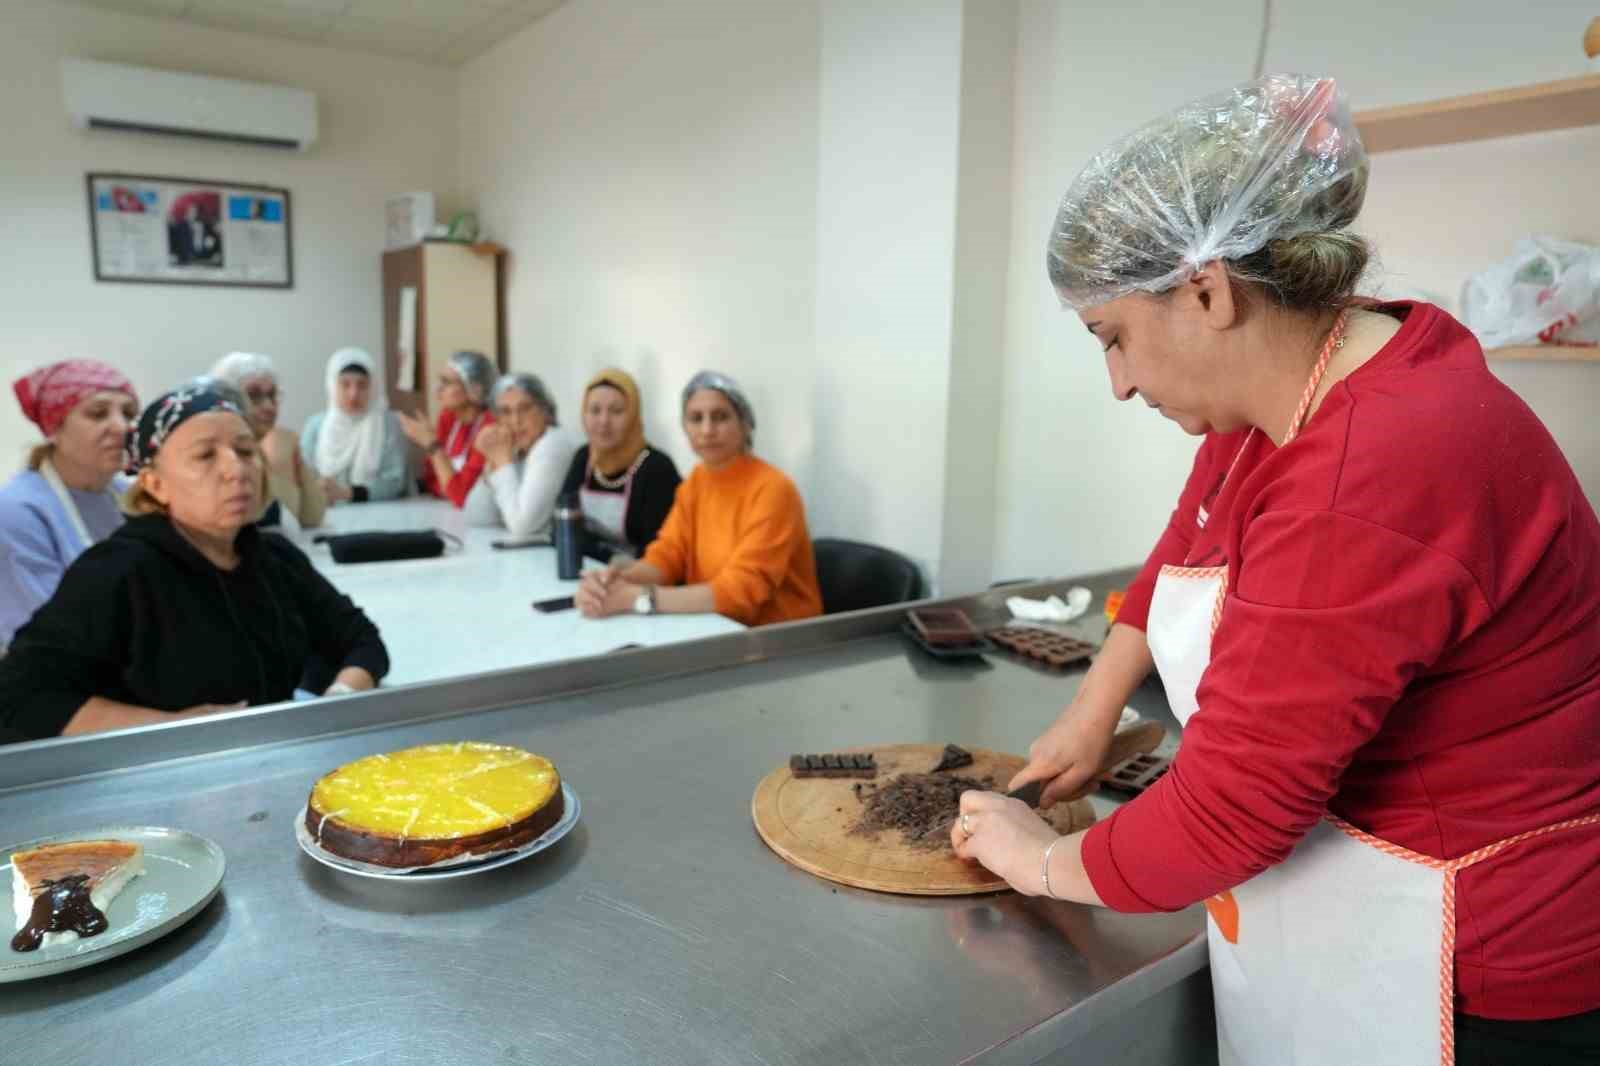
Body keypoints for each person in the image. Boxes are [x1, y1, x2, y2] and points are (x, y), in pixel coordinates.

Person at [950, 76, 1600, 1066]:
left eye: (1113, 337)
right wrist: (1092, 708)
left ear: (1206, 290)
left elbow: (1227, 816)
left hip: (1477, 965)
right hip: (1361, 896)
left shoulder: (1371, 469)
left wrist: (1037, 858)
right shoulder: (1313, 373)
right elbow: (1187, 539)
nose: (1117, 382)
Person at [0, 383, 388, 740]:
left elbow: (361, 640)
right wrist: (175, 728)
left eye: (245, 451)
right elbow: (20, 697)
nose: (236, 470)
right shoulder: (116, 573)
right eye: (205, 455)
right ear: (155, 484)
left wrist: (337, 700)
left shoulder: (274, 557)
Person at [576, 371, 820, 626]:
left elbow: (740, 591)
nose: (707, 430)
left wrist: (638, 598)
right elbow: (667, 555)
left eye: (720, 417)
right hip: (713, 625)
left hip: (779, 637)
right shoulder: (696, 482)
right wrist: (615, 583)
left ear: (745, 424)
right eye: (696, 418)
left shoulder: (773, 490)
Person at [0, 360, 139, 651]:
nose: (122, 427)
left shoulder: (129, 495)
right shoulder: (17, 510)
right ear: (55, 427)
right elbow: (48, 631)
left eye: (128, 413)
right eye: (98, 413)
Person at [559, 368, 681, 562]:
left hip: (640, 576)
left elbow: (658, 553)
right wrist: (608, 556)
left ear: (633, 415)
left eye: (616, 411)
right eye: (595, 410)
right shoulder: (584, 457)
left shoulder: (657, 468)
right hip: (590, 571)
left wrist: (593, 550)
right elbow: (561, 527)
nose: (604, 421)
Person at [210, 351, 326, 529]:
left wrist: (296, 464)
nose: (269, 406)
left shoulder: (266, 446)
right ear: (226, 401)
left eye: (272, 395)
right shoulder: (219, 455)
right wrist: (280, 463)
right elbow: (275, 525)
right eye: (254, 396)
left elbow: (313, 517)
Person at [463, 373, 581, 539]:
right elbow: (476, 517)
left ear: (545, 411)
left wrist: (502, 461)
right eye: (505, 412)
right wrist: (492, 462)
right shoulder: (518, 449)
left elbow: (523, 527)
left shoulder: (554, 443)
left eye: (525, 409)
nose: (516, 421)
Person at [301, 348, 408, 504]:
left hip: (381, 511)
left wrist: (347, 494)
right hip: (328, 512)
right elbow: (304, 475)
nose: (353, 393)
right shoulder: (316, 426)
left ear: (373, 387)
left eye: (362, 385)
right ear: (332, 386)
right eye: (345, 385)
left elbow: (395, 481)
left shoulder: (388, 424)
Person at [398, 350, 496, 507]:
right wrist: (450, 488)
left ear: (474, 388)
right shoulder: (448, 417)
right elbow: (431, 479)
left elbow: (462, 496)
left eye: (447, 382)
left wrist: (432, 445)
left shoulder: (490, 427)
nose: (438, 389)